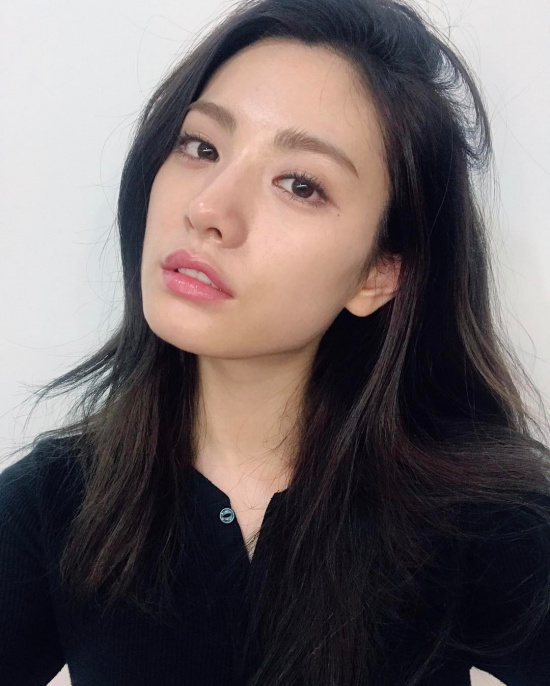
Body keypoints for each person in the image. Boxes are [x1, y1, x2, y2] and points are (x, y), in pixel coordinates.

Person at [1, 0, 549, 684]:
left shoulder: (480, 519)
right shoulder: (56, 504)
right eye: (201, 146)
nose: (208, 208)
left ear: (380, 274)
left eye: (300, 184)